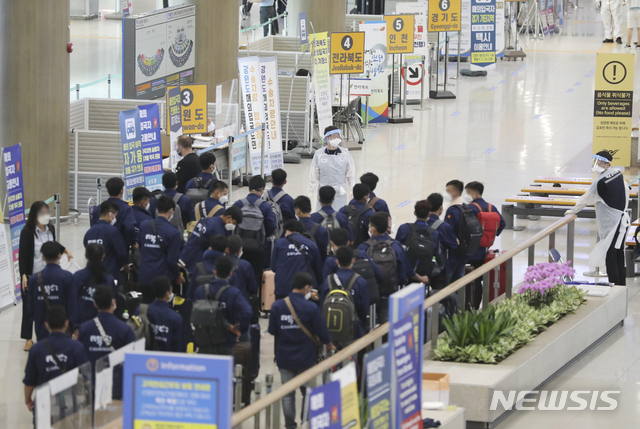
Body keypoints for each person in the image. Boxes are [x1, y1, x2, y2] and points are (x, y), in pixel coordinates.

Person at [268, 272, 336, 429]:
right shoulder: (311, 308)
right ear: (307, 288)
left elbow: (272, 330)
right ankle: (306, 422)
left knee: (287, 394)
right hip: (306, 356)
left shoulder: (277, 306)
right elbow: (322, 331)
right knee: (308, 392)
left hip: (284, 356)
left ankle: (290, 425)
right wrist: (329, 344)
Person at [566, 151, 630, 285]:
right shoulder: (617, 173)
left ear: (607, 164)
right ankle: (621, 287)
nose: (596, 165)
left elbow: (585, 199)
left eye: (599, 162)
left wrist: (572, 211)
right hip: (621, 221)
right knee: (619, 255)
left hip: (611, 224)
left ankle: (614, 288)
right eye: (595, 162)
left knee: (610, 256)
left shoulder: (600, 181)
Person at [19, 201, 72, 351]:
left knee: (48, 306)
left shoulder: (50, 229)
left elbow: (53, 244)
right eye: (42, 213)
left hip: (49, 273)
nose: (46, 215)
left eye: (47, 212)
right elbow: (23, 256)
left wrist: (65, 249)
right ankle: (28, 338)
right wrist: (23, 275)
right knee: (29, 308)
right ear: (35, 215)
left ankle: (51, 333)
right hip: (32, 275)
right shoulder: (27, 232)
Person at [359, 212, 429, 323]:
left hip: (370, 295)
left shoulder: (363, 248)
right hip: (391, 293)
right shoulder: (395, 246)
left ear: (373, 229)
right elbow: (405, 273)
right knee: (388, 323)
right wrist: (421, 278)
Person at [23, 306, 88, 413]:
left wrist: (28, 400)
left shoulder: (36, 350)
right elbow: (86, 377)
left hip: (44, 406)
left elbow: (29, 381)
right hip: (70, 406)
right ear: (66, 324)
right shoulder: (77, 347)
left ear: (46, 325)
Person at [193, 257, 252, 355]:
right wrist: (239, 328)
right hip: (225, 341)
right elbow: (247, 312)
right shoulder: (233, 293)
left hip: (204, 340)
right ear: (231, 273)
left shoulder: (200, 290)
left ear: (214, 271)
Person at [465, 181, 506, 309]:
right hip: (483, 249)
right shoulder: (490, 207)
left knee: (466, 278)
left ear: (475, 193)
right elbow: (502, 223)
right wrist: (490, 236)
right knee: (478, 279)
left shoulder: (470, 208)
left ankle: (467, 305)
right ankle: (477, 305)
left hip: (469, 251)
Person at [138, 196, 184, 303]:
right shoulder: (173, 233)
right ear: (171, 211)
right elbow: (171, 261)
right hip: (163, 279)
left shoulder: (144, 225)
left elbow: (141, 246)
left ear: (157, 210)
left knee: (147, 307)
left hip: (145, 275)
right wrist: (177, 276)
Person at [233, 175, 277, 287]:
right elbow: (271, 227)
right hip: (259, 247)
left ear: (249, 188)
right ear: (262, 189)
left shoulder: (238, 204)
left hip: (240, 246)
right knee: (257, 275)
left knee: (239, 272)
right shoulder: (265, 206)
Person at [27, 242, 77, 341]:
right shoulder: (67, 277)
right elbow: (73, 306)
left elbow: (30, 308)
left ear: (43, 257)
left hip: (42, 328)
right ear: (59, 256)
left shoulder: (33, 280)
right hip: (64, 329)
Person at [320, 246, 370, 343]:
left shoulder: (328, 281)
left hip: (331, 330)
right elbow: (364, 309)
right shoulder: (360, 281)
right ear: (353, 261)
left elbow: (322, 305)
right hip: (353, 330)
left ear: (337, 261)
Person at [77, 286, 135, 366]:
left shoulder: (85, 328)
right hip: (115, 376)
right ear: (113, 302)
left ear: (95, 304)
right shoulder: (125, 329)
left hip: (91, 377)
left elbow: (80, 355)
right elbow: (132, 359)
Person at [180, 207, 242, 277]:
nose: (233, 226)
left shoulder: (205, 220)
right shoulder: (218, 230)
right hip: (197, 264)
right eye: (234, 223)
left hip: (186, 257)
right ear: (229, 217)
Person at [271, 220, 323, 300]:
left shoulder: (279, 243)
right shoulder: (311, 245)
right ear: (301, 233)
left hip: (282, 289)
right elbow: (318, 270)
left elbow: (273, 267)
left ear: (287, 231)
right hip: (304, 290)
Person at [309, 126, 356, 211]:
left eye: (337, 136)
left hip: (339, 192)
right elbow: (314, 173)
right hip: (324, 192)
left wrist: (352, 188)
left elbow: (351, 173)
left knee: (339, 216)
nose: (336, 138)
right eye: (334, 136)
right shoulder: (319, 154)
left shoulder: (345, 153)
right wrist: (310, 190)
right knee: (322, 215)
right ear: (326, 138)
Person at [72, 244, 118, 325]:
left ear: (86, 255)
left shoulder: (77, 276)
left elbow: (72, 302)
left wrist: (75, 326)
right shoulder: (108, 279)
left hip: (81, 325)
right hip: (103, 325)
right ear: (103, 256)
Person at [84, 201, 129, 283]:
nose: (115, 218)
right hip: (110, 274)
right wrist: (126, 265)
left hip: (92, 275)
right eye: (115, 216)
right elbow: (122, 253)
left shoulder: (89, 232)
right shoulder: (112, 231)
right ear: (110, 214)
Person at [91, 177, 137, 246]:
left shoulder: (97, 209)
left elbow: (93, 229)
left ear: (107, 191)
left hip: (101, 247)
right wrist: (133, 242)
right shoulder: (126, 209)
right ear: (122, 191)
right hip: (119, 246)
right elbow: (130, 228)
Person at [143, 277, 185, 352]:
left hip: (144, 358)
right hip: (167, 361)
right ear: (167, 294)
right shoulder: (175, 318)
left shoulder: (141, 311)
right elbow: (179, 348)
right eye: (171, 290)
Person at [443, 180, 470, 283]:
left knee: (448, 279)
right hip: (465, 249)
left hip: (454, 251)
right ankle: (460, 298)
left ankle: (450, 299)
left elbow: (447, 229)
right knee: (460, 278)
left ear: (456, 192)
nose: (446, 193)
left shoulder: (452, 209)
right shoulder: (466, 206)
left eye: (448, 191)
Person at [188, 235, 229, 299]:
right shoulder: (227, 268)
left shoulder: (199, 267)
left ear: (210, 247)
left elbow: (190, 292)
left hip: (200, 306)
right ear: (226, 249)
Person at [294, 196, 329, 261]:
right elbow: (324, 254)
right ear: (310, 210)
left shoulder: (291, 229)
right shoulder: (322, 230)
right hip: (315, 267)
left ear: (297, 211)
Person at [227, 235, 258, 302]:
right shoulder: (245, 265)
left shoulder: (219, 262)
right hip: (242, 300)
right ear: (240, 249)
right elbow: (253, 287)